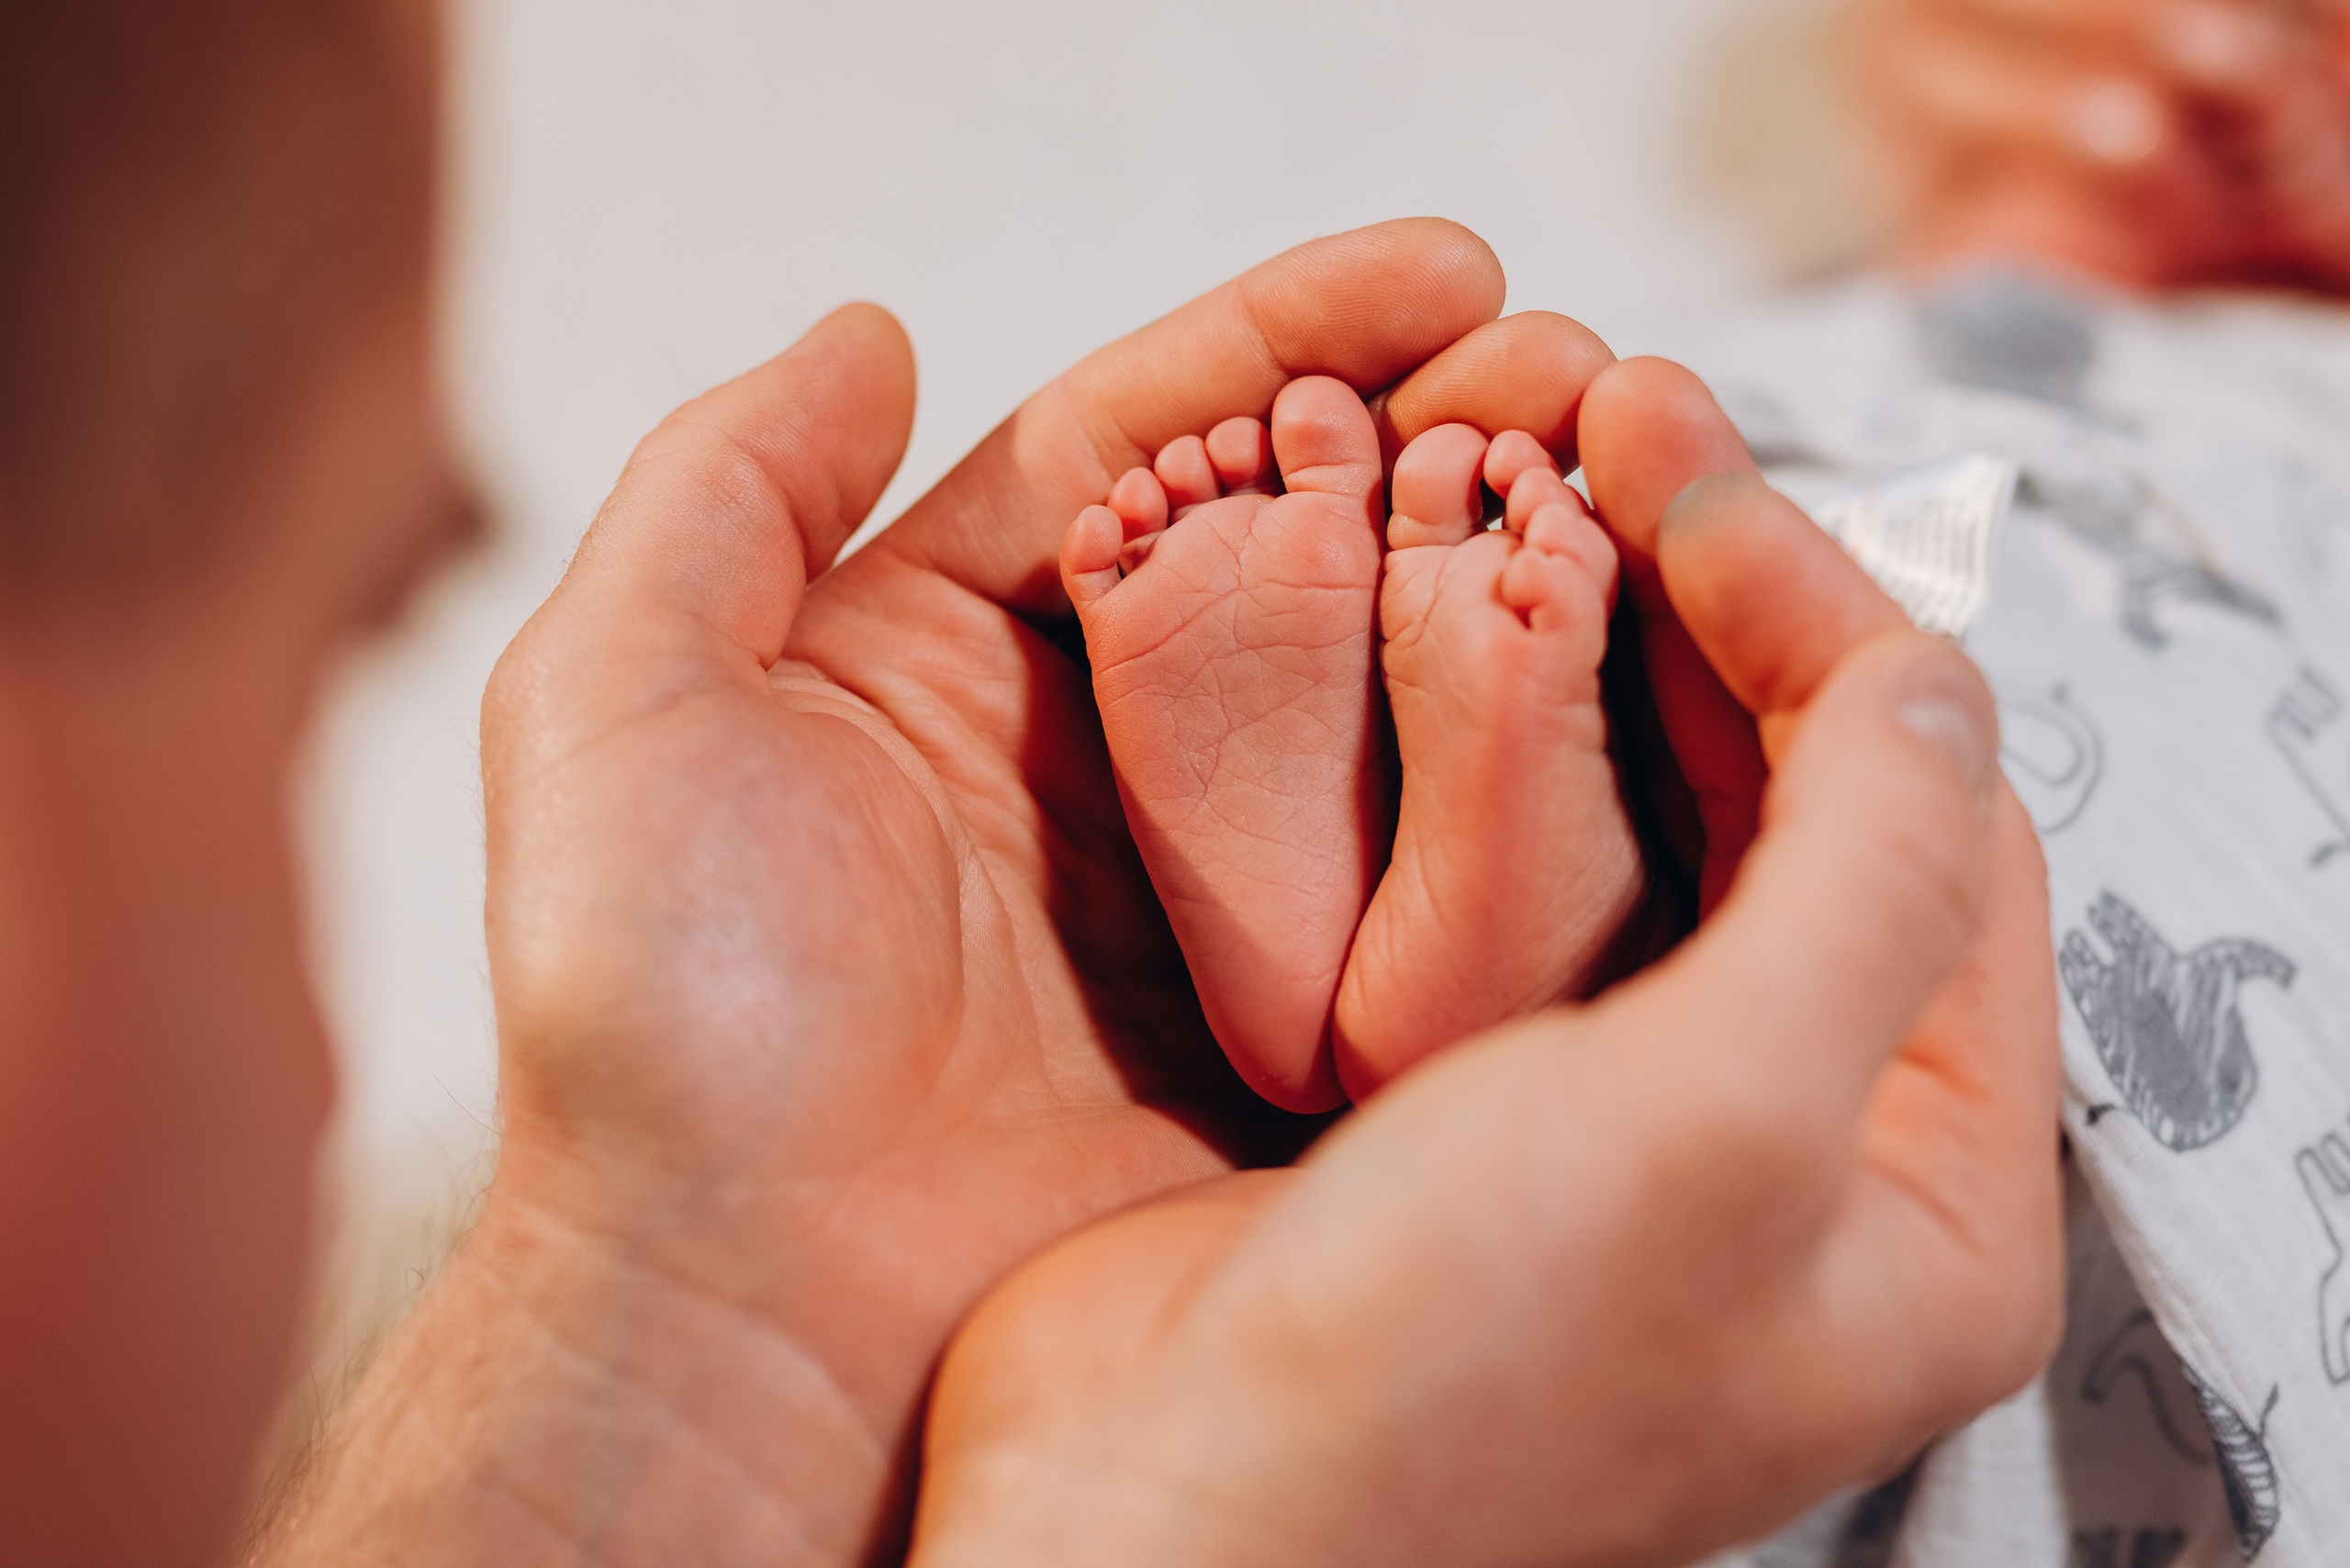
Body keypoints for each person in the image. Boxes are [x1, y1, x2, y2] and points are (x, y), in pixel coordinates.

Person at [1, 4, 2065, 1565]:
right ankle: (1541, 887)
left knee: (1618, 535)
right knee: (1637, 548)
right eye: (321, 645)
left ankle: (1460, 893)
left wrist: (687, 1333)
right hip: (1890, 769)